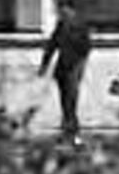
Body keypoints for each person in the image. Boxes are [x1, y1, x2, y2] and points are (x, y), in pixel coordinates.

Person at [39, 9, 100, 137]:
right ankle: (68, 118)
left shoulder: (80, 27)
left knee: (71, 94)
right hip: (62, 68)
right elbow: (52, 46)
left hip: (74, 67)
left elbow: (85, 48)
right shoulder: (61, 26)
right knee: (65, 95)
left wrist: (78, 64)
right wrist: (44, 66)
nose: (61, 15)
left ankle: (71, 120)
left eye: (63, 13)